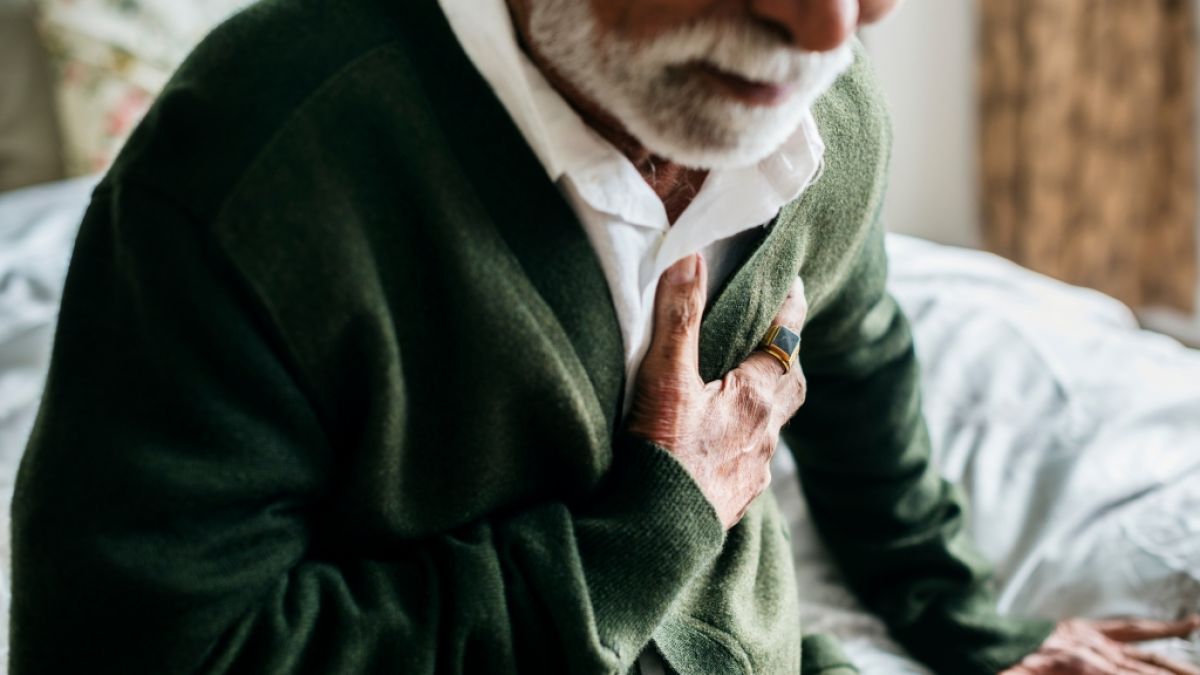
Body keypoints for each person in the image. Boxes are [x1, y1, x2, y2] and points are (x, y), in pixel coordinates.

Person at [10, 0, 1199, 673]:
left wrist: (979, 639)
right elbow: (138, 659)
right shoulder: (251, 166)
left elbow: (860, 354)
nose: (832, 24)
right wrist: (640, 538)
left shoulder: (833, 111)